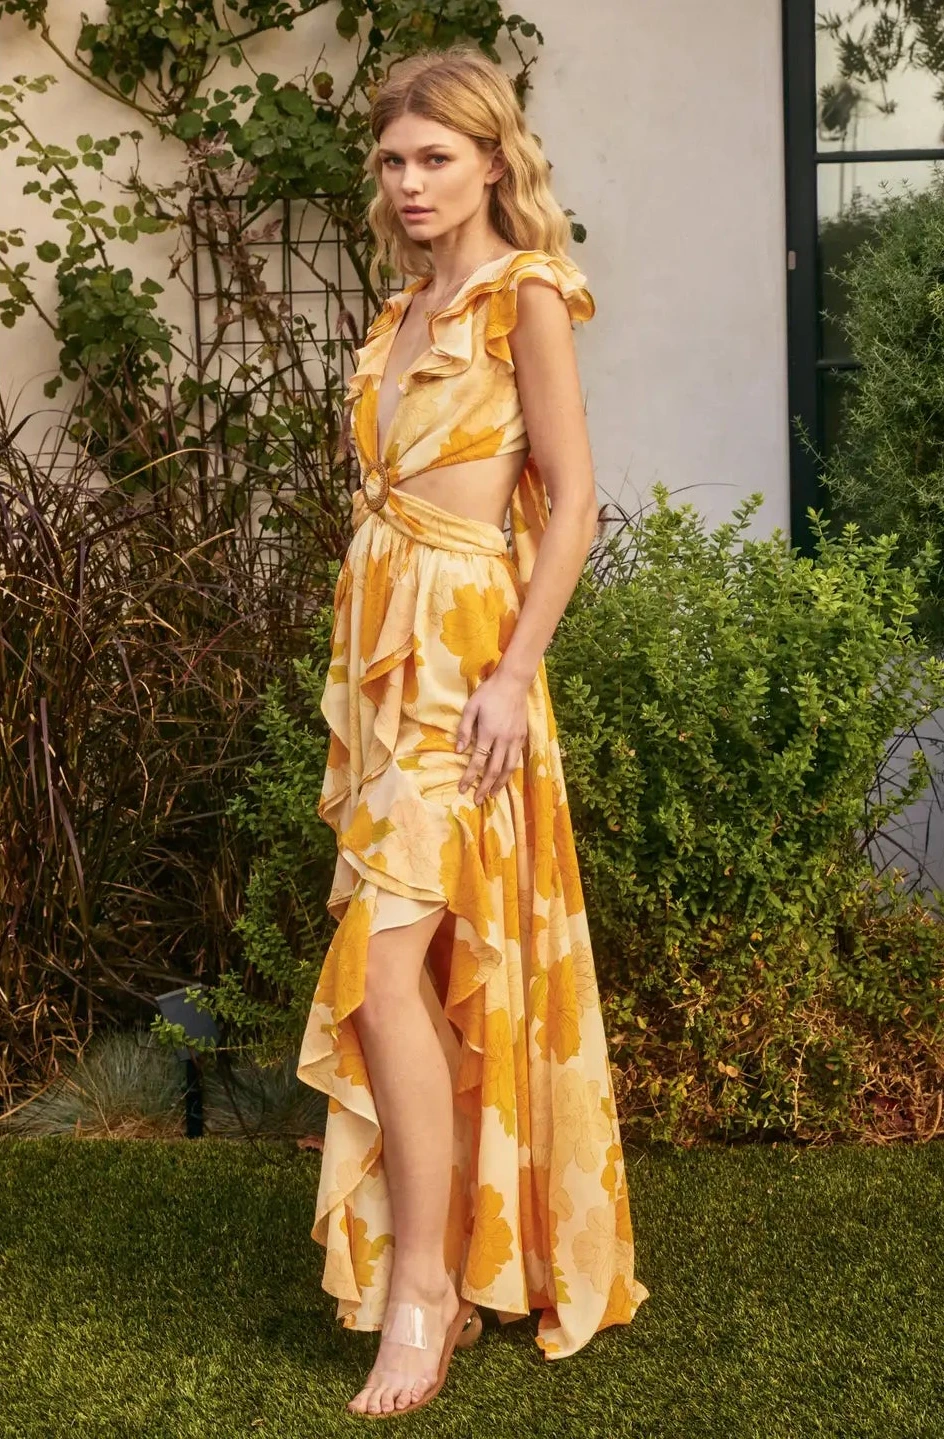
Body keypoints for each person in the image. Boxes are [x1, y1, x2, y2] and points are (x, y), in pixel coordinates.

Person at [296, 41, 650, 1420]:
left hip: (466, 664)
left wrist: (512, 675)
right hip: (388, 655)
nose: (410, 179)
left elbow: (571, 502)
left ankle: (426, 1296)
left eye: (436, 154)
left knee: (386, 962)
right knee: (421, 967)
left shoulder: (526, 298)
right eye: (392, 159)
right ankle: (446, 1254)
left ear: (494, 157)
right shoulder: (399, 312)